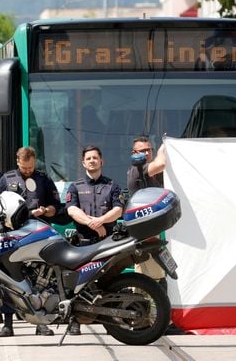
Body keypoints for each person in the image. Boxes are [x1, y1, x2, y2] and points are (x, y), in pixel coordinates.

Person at [0, 146, 59, 337]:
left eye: (31, 167)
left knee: (39, 280)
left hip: (37, 235)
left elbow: (56, 206)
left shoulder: (43, 179)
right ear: (18, 162)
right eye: (24, 168)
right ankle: (7, 324)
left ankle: (41, 323)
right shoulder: (6, 179)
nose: (28, 171)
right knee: (9, 279)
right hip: (12, 236)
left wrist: (45, 210)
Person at [64, 145, 124, 335]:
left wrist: (101, 221)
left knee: (109, 278)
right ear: (83, 163)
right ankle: (74, 321)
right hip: (83, 242)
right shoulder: (75, 186)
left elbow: (118, 210)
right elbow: (72, 210)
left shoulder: (112, 185)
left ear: (101, 161)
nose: (92, 161)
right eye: (88, 158)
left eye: (95, 158)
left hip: (107, 241)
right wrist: (92, 223)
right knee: (77, 283)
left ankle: (109, 319)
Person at [126, 136, 169, 289]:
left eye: (148, 150)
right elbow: (161, 163)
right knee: (149, 281)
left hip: (154, 232)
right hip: (145, 235)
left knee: (154, 277)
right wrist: (164, 147)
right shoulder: (137, 171)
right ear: (133, 153)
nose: (146, 153)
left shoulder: (153, 173)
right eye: (142, 151)